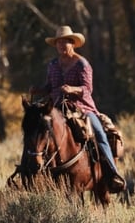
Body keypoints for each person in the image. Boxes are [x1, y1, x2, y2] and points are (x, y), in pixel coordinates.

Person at [34, 25, 126, 193]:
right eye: (59, 43)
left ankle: (112, 173)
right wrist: (39, 89)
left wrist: (72, 89)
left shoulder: (82, 64)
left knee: (100, 135)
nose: (61, 46)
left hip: (82, 108)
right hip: (56, 107)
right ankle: (31, 172)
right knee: (37, 130)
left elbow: (87, 88)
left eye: (65, 42)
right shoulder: (53, 65)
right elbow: (49, 86)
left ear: (73, 44)